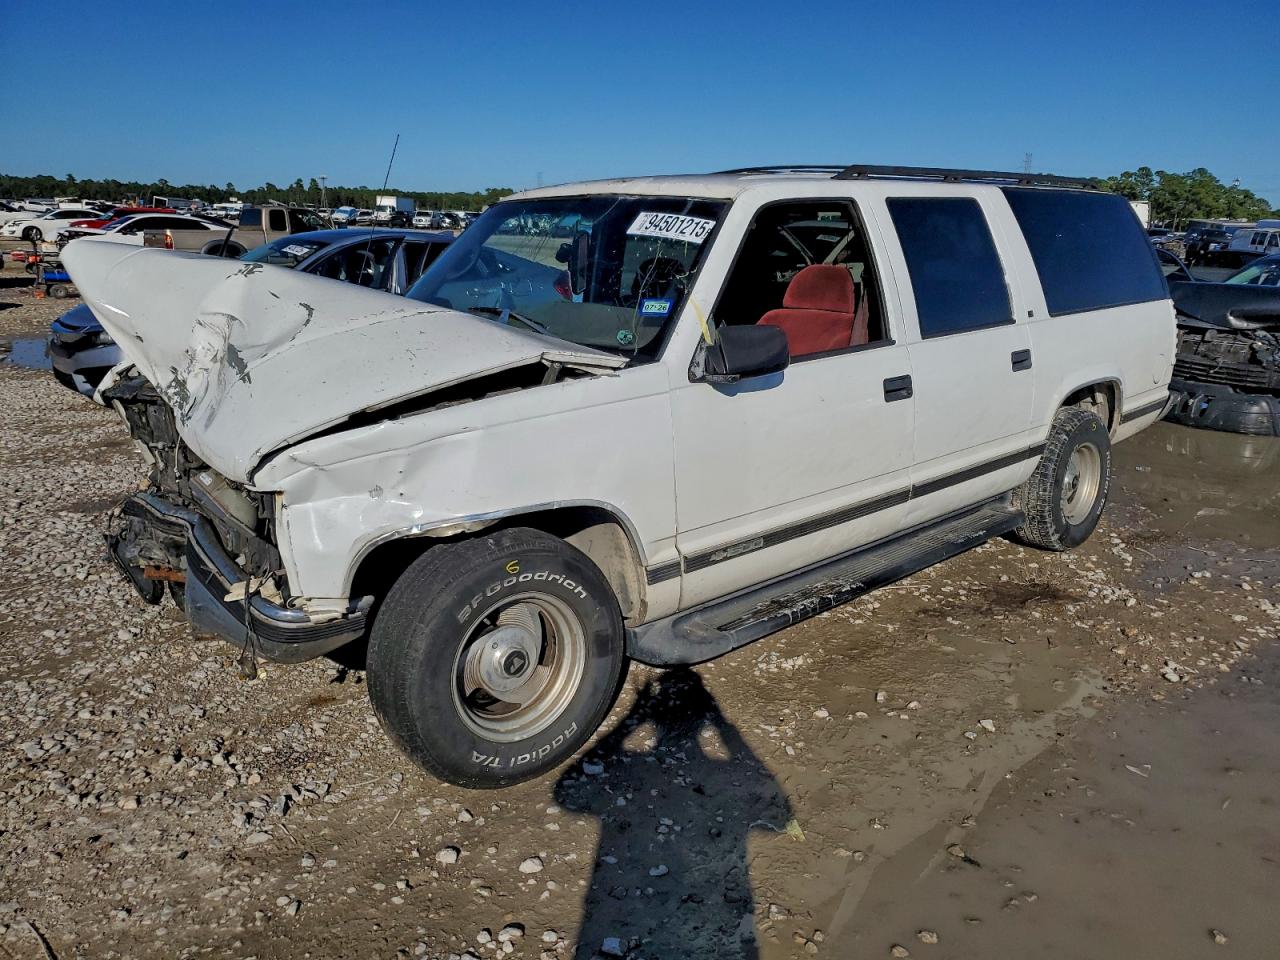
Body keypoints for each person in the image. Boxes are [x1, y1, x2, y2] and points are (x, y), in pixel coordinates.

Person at [554, 669, 792, 959]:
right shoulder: (722, 776)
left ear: (656, 723)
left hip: (632, 917)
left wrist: (630, 721)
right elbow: (780, 816)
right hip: (708, 930)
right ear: (702, 722)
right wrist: (722, 723)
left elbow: (566, 793)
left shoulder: (633, 769)